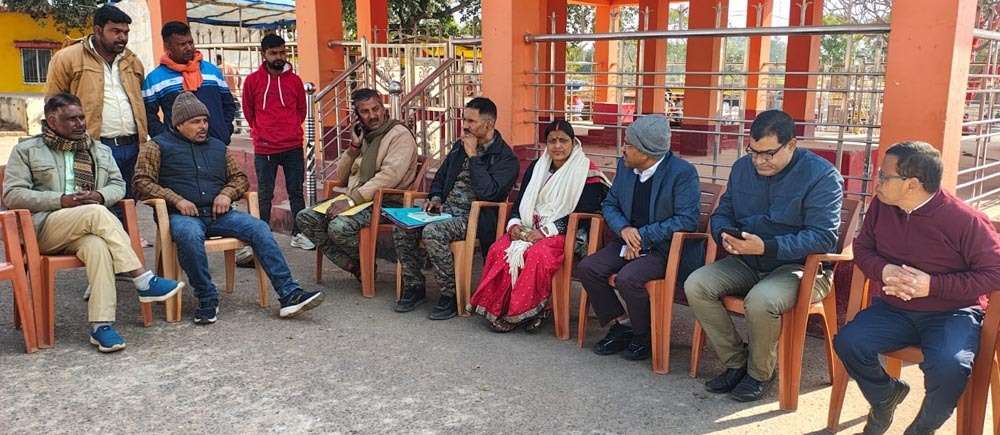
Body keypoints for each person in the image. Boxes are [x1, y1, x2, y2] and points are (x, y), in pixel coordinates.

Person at [833, 142, 1000, 435]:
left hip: (952, 312)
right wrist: (884, 270)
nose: (876, 182)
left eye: (884, 176)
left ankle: (921, 430)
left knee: (950, 366)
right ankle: (885, 396)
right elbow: (862, 248)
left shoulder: (966, 220)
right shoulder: (882, 206)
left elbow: (995, 273)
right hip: (894, 308)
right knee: (849, 341)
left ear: (912, 184)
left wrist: (933, 286)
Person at [684, 109, 844, 402]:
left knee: (761, 300)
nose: (759, 161)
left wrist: (767, 247)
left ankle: (760, 374)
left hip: (800, 268)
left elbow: (823, 238)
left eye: (768, 154)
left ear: (792, 144)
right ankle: (736, 362)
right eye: (753, 152)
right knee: (696, 284)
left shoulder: (822, 176)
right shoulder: (742, 169)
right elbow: (722, 212)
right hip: (747, 259)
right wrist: (725, 235)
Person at [2, 93, 182, 353]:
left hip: (88, 226)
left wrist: (98, 195)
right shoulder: (27, 150)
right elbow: (13, 194)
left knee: (97, 246)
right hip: (44, 227)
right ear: (51, 121)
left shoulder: (98, 150)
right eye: (71, 119)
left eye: (81, 117)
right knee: (96, 213)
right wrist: (61, 200)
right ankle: (142, 279)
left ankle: (101, 326)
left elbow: (118, 185)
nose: (79, 124)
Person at [133, 92, 324, 324]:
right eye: (196, 122)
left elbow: (239, 178)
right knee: (189, 235)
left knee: (259, 228)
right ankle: (207, 298)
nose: (203, 126)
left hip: (220, 215)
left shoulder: (218, 147)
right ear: (179, 124)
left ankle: (289, 293)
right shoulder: (157, 146)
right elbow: (141, 182)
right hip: (182, 216)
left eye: (205, 121)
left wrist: (227, 193)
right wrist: (176, 199)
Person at [573, 115, 702, 361]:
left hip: (663, 249)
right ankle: (622, 325)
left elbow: (687, 220)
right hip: (626, 240)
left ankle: (644, 335)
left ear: (646, 151)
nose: (623, 149)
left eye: (629, 145)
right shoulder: (626, 167)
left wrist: (642, 236)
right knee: (588, 268)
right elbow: (609, 204)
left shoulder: (682, 173)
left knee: (628, 278)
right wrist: (624, 229)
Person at [469, 120, 609, 332]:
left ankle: (526, 311)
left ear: (573, 143)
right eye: (552, 141)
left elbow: (586, 213)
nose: (557, 146)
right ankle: (498, 307)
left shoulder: (586, 171)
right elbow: (520, 202)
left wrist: (544, 232)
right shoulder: (537, 167)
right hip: (529, 227)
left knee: (537, 254)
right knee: (499, 249)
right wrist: (514, 225)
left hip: (567, 233)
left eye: (563, 141)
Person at [393, 97, 519, 320]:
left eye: (471, 121)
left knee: (433, 231)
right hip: (444, 212)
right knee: (402, 226)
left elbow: (489, 193)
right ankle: (414, 286)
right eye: (464, 119)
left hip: (475, 219)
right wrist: (435, 197)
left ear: (489, 124)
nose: (465, 126)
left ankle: (449, 294)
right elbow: (440, 177)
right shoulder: (459, 147)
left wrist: (473, 157)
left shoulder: (506, 158)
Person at [44, 5, 148, 233]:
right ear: (98, 30)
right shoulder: (68, 58)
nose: (122, 37)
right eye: (116, 31)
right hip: (93, 146)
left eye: (126, 32)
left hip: (132, 145)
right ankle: (107, 248)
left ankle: (126, 248)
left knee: (128, 202)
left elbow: (141, 98)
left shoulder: (131, 60)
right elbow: (53, 103)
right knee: (98, 202)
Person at [296, 88, 418, 279]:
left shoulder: (399, 135)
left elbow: (389, 176)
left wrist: (351, 200)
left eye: (376, 109)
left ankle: (366, 263)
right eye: (365, 112)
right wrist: (354, 148)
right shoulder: (365, 136)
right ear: (358, 116)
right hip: (358, 199)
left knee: (339, 227)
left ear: (383, 108)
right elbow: (342, 175)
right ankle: (355, 265)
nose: (373, 116)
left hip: (386, 202)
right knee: (306, 217)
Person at [241, 34, 312, 250]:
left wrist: (289, 128)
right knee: (265, 194)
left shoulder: (295, 81)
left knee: (296, 192)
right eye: (273, 53)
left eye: (282, 52)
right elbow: (248, 111)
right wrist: (262, 131)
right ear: (264, 54)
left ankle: (299, 233)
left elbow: (301, 110)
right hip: (265, 148)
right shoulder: (252, 81)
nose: (279, 57)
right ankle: (262, 237)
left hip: (292, 145)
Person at [142, 21, 237, 145]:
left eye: (190, 42)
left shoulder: (212, 71)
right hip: (179, 150)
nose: (189, 48)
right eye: (182, 44)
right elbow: (148, 116)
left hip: (216, 145)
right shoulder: (155, 79)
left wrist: (224, 131)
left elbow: (229, 104)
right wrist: (166, 141)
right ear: (168, 46)